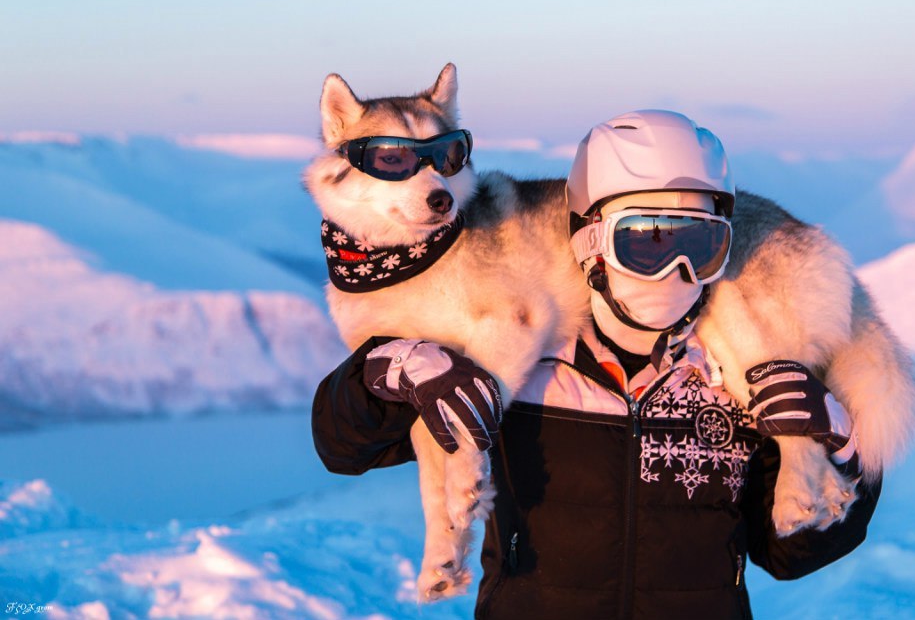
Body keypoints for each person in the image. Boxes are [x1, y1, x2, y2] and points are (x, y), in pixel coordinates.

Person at [312, 110, 880, 619]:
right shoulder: (528, 362)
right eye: (644, 239)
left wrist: (845, 453)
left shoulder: (732, 376)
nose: (671, 267)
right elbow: (345, 445)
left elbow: (788, 552)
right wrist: (378, 373)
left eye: (699, 243)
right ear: (588, 238)